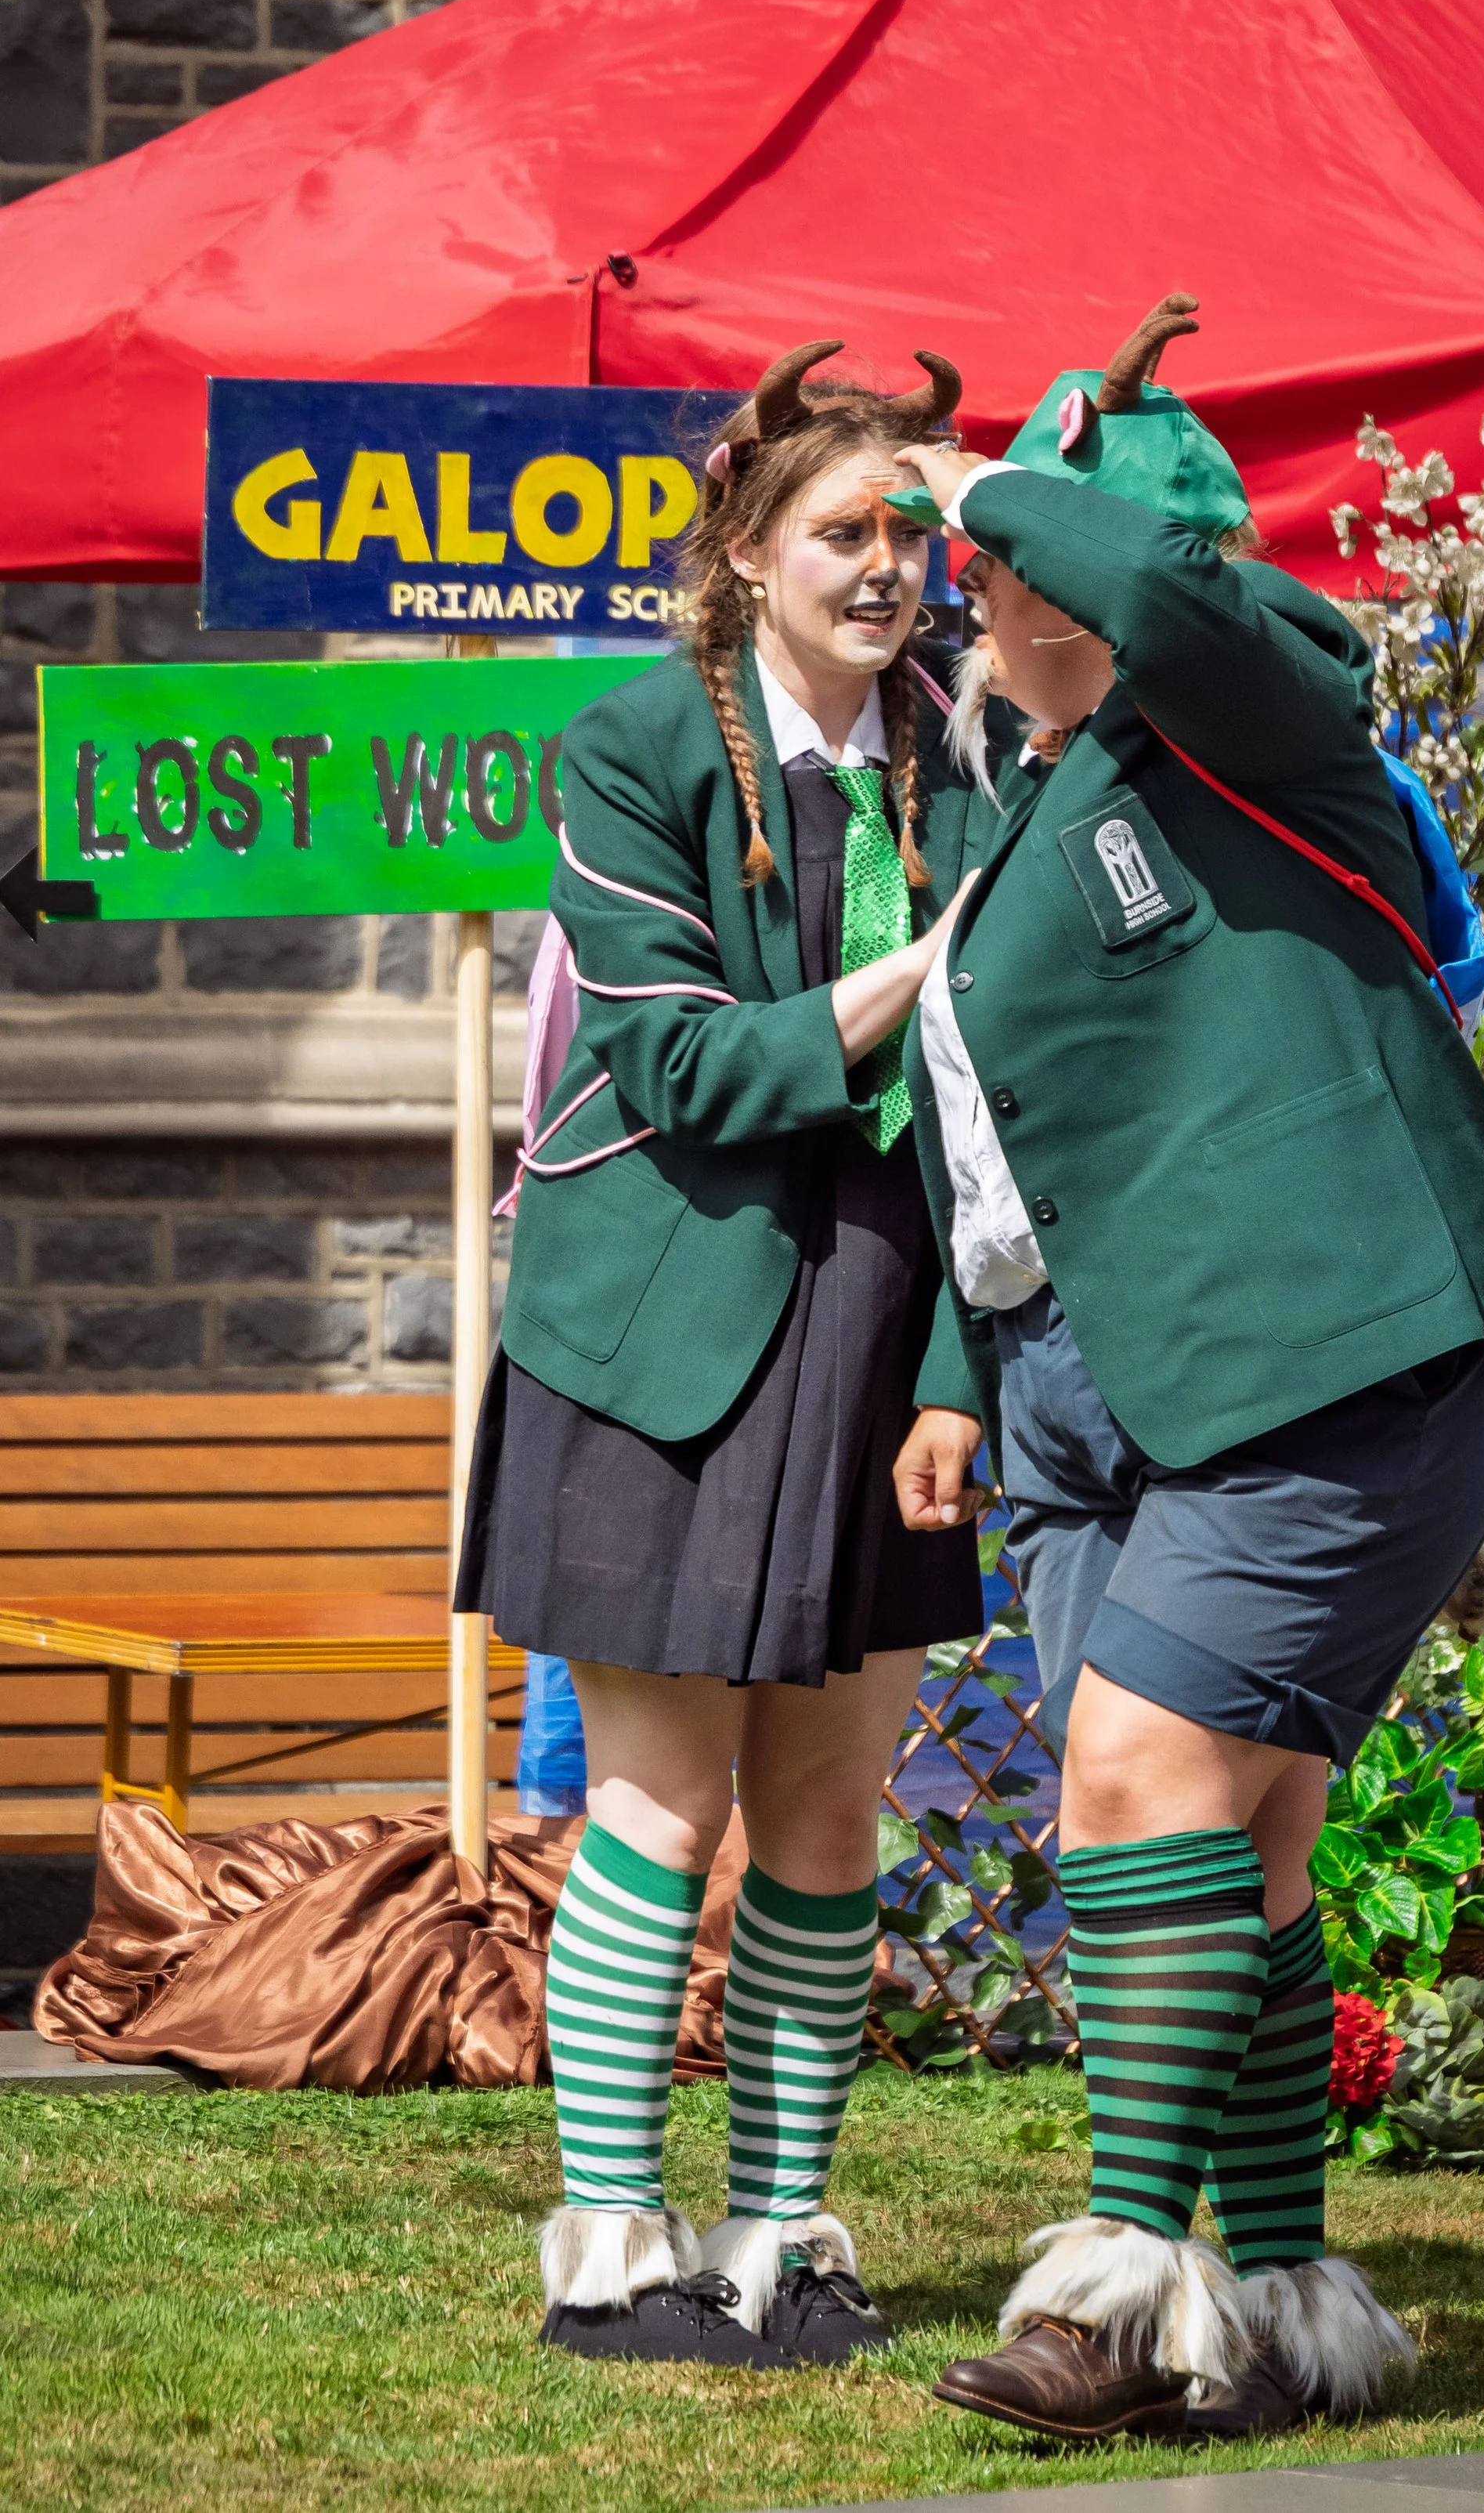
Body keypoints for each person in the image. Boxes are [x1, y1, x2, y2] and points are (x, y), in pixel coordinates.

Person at [884, 299, 1484, 2442]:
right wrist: (960, 1374)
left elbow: (1168, 579)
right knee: (1228, 1838)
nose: (957, 583)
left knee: (1132, 1783)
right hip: (1098, 1387)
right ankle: (1261, 2304)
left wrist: (967, 466)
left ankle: (1102, 2292)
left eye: (986, 559)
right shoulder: (1023, 792)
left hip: (1318, 1341)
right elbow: (993, 1135)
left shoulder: (1258, 710)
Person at [456, 339, 991, 2370]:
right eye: (844, 532)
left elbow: (988, 1127)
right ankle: (609, 2236)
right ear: (749, 555)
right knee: (662, 1812)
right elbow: (674, 1057)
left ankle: (780, 2226)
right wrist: (919, 971)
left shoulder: (966, 755)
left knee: (831, 1815)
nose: (886, 567)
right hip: (660, 1334)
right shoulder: (630, 747)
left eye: (909, 534)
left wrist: (958, 1372)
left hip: (878, 1343)